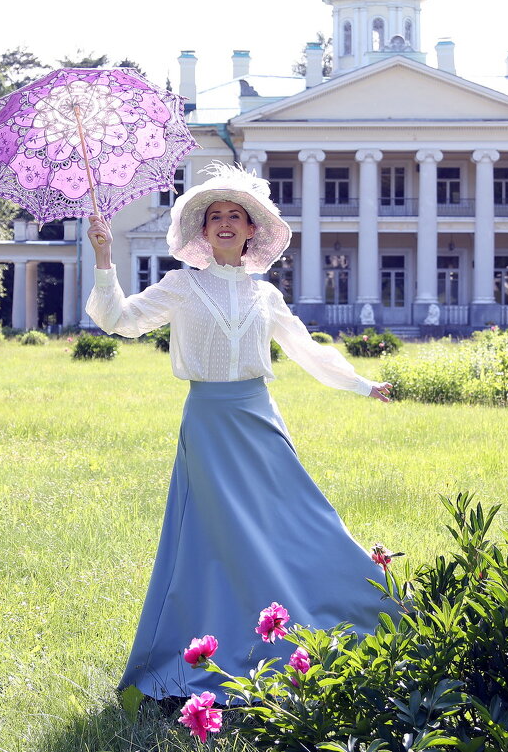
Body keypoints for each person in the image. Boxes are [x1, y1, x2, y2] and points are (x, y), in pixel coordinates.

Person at [85, 162, 394, 699]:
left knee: (303, 517)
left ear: (252, 230)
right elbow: (119, 320)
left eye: (236, 215)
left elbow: (304, 349)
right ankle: (225, 645)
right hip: (207, 423)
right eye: (215, 217)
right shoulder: (180, 286)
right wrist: (104, 256)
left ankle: (362, 608)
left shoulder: (265, 295)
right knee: (219, 538)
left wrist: (361, 383)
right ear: (202, 233)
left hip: (259, 418)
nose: (225, 223)